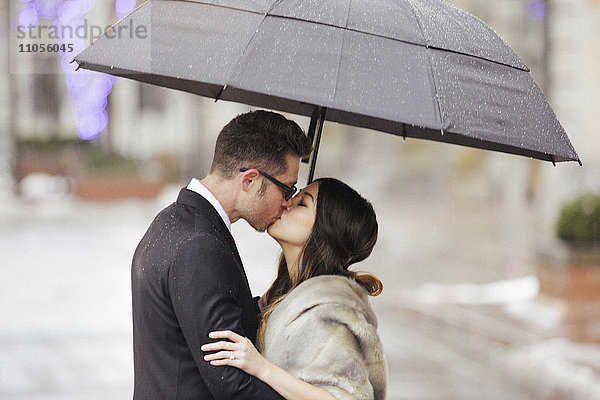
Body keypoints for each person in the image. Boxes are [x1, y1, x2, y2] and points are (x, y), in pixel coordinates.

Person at [131, 110, 312, 399]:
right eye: (287, 188)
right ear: (251, 181)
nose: (287, 202)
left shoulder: (174, 221)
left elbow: (198, 326)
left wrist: (265, 305)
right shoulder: (199, 246)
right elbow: (231, 383)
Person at [201, 178, 388, 400]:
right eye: (294, 196)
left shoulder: (325, 311)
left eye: (302, 204)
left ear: (326, 231)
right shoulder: (287, 295)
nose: (286, 202)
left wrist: (261, 368)